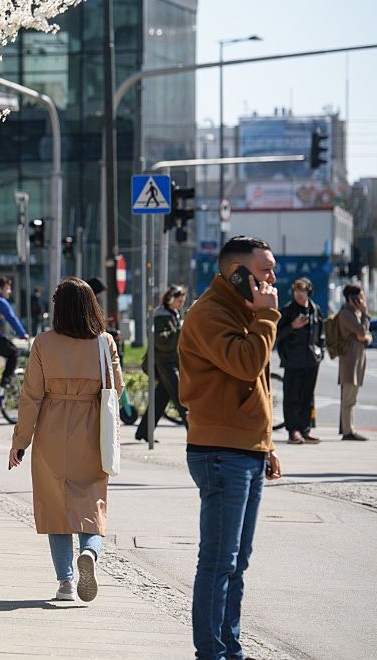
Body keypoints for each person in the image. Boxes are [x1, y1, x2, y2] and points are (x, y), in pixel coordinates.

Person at [178, 235, 283, 660]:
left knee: (236, 563)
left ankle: (230, 649)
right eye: (265, 271)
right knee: (219, 561)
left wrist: (266, 443)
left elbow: (254, 384)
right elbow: (245, 363)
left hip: (246, 450)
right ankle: (212, 652)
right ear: (237, 273)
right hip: (220, 452)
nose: (272, 280)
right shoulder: (209, 315)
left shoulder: (243, 310)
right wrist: (269, 317)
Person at [9, 277, 124, 603]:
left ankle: (65, 584)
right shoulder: (105, 342)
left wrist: (21, 442)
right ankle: (89, 551)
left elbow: (30, 396)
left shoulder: (44, 343)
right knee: (92, 500)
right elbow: (117, 388)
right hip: (92, 431)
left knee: (56, 507)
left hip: (52, 431)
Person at [134, 284, 189, 441]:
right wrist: (180, 330)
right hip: (165, 363)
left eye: (182, 301)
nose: (181, 304)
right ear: (171, 300)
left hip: (168, 362)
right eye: (179, 301)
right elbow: (161, 341)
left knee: (160, 400)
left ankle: (143, 432)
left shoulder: (172, 314)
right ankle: (193, 433)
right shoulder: (162, 316)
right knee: (181, 397)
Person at [275, 278, 325, 444]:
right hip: (293, 360)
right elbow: (277, 334)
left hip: (311, 360)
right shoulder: (288, 310)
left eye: (302, 292)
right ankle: (293, 431)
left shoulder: (315, 310)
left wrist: (321, 352)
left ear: (308, 292)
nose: (299, 295)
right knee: (292, 396)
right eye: (296, 292)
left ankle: (305, 430)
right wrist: (292, 327)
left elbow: (321, 335)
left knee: (307, 396)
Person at [337, 284, 371, 441]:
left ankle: (349, 428)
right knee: (348, 398)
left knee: (352, 397)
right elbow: (363, 333)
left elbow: (366, 337)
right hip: (350, 360)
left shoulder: (355, 313)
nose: (362, 300)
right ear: (352, 298)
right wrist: (365, 314)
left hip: (357, 359)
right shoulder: (346, 314)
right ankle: (347, 431)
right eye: (360, 297)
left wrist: (364, 333)